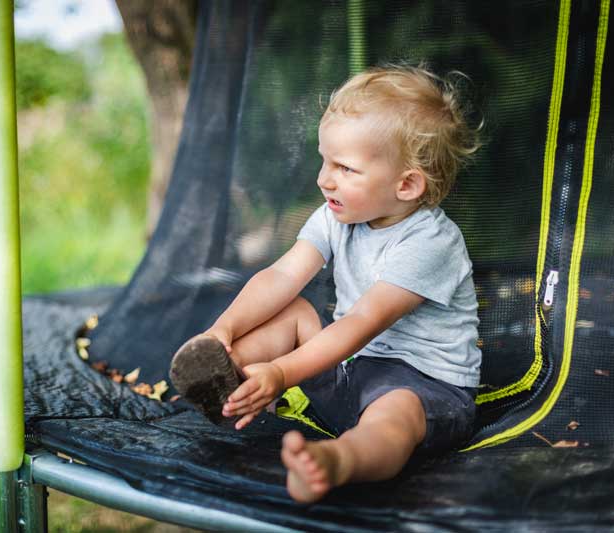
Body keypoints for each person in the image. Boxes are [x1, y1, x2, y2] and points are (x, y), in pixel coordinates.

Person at [169, 64, 483, 503]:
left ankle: (337, 461)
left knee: (395, 417)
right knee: (294, 309)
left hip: (423, 386)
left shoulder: (431, 242)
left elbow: (362, 323)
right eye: (323, 159)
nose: (323, 178)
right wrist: (225, 329)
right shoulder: (339, 215)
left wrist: (282, 372)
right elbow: (282, 275)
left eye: (345, 168)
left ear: (407, 184)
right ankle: (228, 377)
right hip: (346, 370)